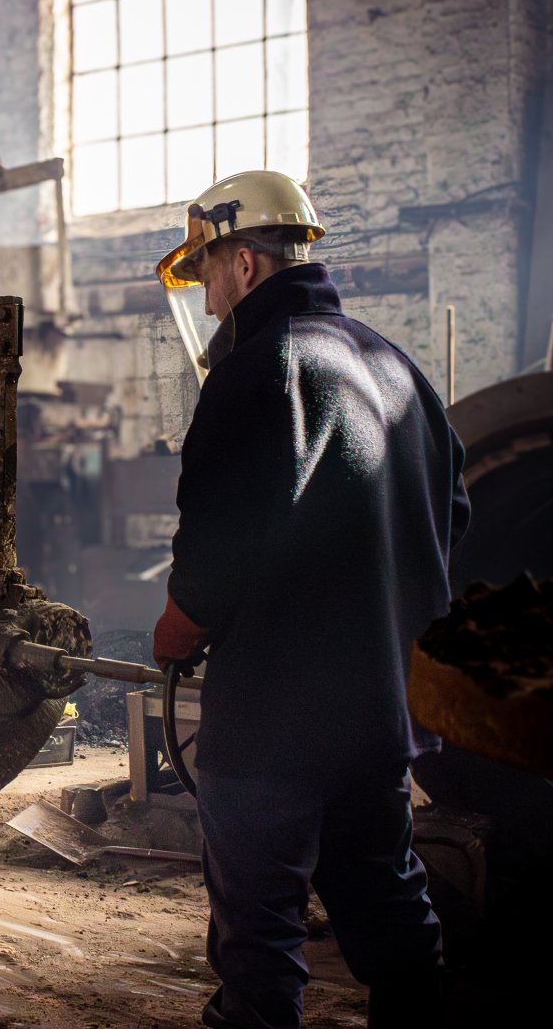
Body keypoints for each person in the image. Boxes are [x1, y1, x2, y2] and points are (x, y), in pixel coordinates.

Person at [150, 171, 469, 1029]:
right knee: (392, 912)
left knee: (260, 940)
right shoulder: (396, 367)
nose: (210, 300)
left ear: (245, 263)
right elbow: (456, 517)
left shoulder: (256, 372)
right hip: (381, 713)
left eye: (208, 273)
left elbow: (216, 559)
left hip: (273, 728)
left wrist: (174, 633)